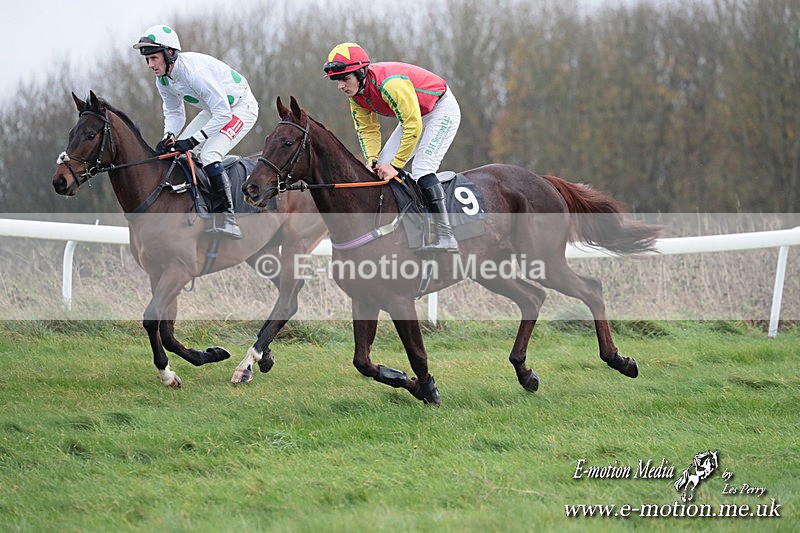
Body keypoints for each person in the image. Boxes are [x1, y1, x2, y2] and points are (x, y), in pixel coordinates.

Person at [323, 42, 461, 253]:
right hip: (416, 116)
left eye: (344, 78)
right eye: (336, 80)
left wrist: (396, 166)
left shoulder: (390, 84)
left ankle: (446, 235)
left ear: (361, 71)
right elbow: (368, 130)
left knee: (422, 168)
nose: (341, 86)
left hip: (441, 110)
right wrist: (372, 160)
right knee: (380, 168)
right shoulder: (356, 95)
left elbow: (412, 125)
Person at [133, 24, 259, 239]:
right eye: (147, 59)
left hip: (240, 108)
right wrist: (169, 136)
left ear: (169, 53)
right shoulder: (163, 80)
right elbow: (174, 112)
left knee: (209, 153)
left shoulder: (193, 73)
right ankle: (199, 207)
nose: (149, 64)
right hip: (216, 110)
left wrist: (194, 140)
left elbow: (223, 114)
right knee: (179, 151)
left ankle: (228, 218)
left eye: (154, 58)